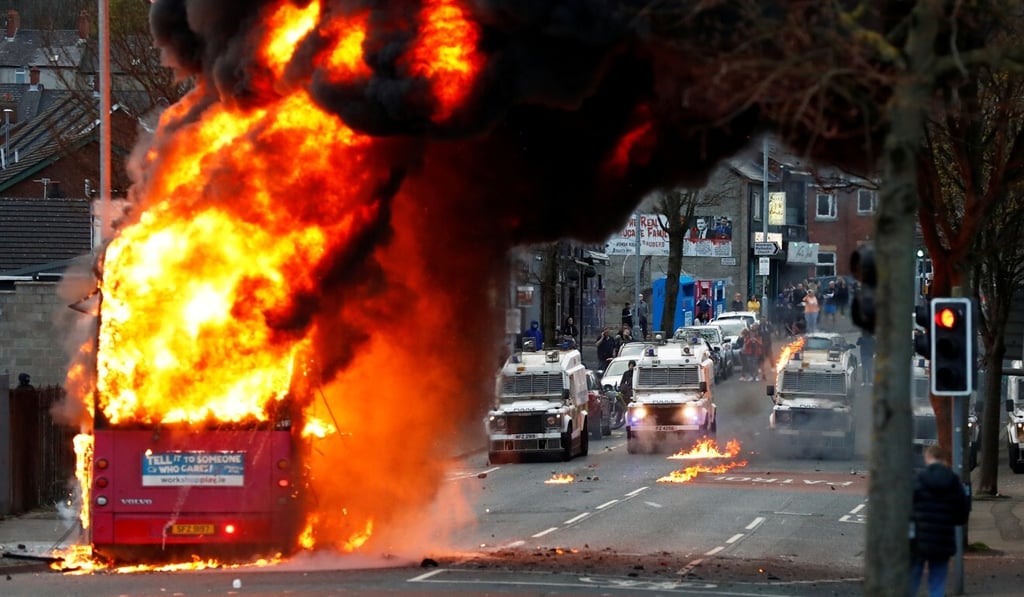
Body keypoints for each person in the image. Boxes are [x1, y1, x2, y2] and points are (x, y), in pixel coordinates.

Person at [910, 445, 970, 597]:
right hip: (943, 539)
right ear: (943, 459)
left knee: (912, 579)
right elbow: (962, 512)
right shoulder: (954, 481)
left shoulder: (920, 479)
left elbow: (908, 508)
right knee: (937, 582)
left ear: (927, 458)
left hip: (920, 539)